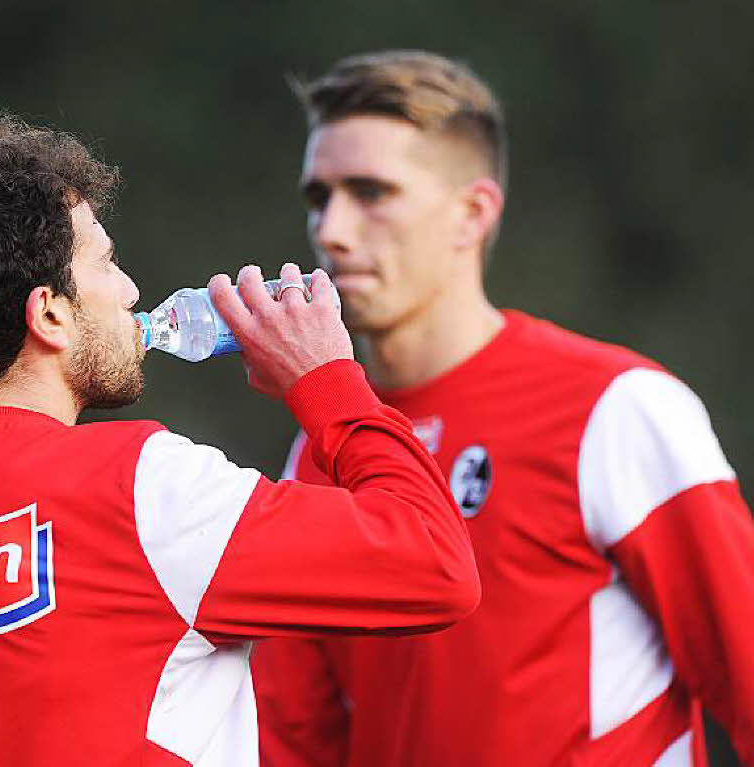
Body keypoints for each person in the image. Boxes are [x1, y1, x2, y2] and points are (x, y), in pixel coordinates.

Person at [0, 114, 479, 767]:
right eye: (107, 263)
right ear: (49, 315)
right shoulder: (143, 488)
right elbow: (433, 561)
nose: (129, 292)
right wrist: (328, 381)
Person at [252, 51, 754, 766]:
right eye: (318, 197)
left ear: (473, 214)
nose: (331, 229)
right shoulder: (319, 450)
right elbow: (296, 737)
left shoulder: (616, 408)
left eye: (371, 192)